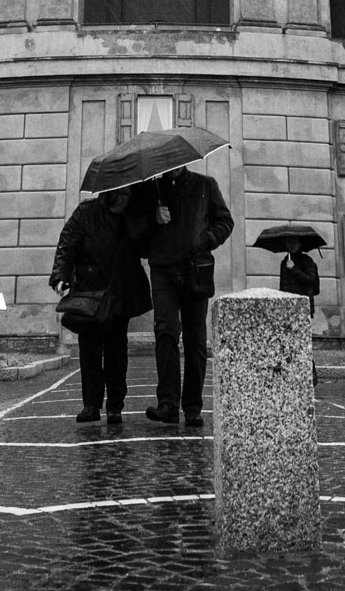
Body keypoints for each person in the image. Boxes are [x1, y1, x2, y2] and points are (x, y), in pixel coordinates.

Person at [48, 186, 152, 424]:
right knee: (90, 351)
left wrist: (149, 220)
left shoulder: (133, 216)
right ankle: (91, 405)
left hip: (120, 292)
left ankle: (115, 406)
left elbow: (144, 248)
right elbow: (68, 243)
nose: (125, 200)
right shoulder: (87, 212)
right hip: (89, 293)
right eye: (122, 195)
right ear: (111, 194)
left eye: (129, 195)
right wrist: (60, 275)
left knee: (117, 351)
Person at [138, 166, 233, 426]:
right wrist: (152, 219)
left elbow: (225, 221)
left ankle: (192, 407)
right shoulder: (150, 189)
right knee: (166, 331)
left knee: (196, 340)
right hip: (163, 270)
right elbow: (134, 231)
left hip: (196, 269)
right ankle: (167, 404)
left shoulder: (206, 185)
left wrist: (204, 240)